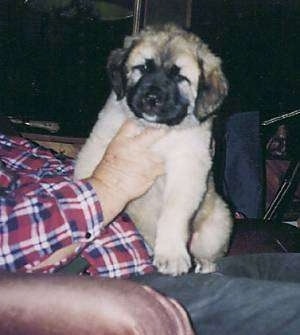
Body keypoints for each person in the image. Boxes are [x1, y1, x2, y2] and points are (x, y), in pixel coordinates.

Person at [1, 119, 300, 335]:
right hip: (123, 292)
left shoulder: (9, 145)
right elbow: (11, 246)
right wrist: (110, 183)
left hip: (188, 258)